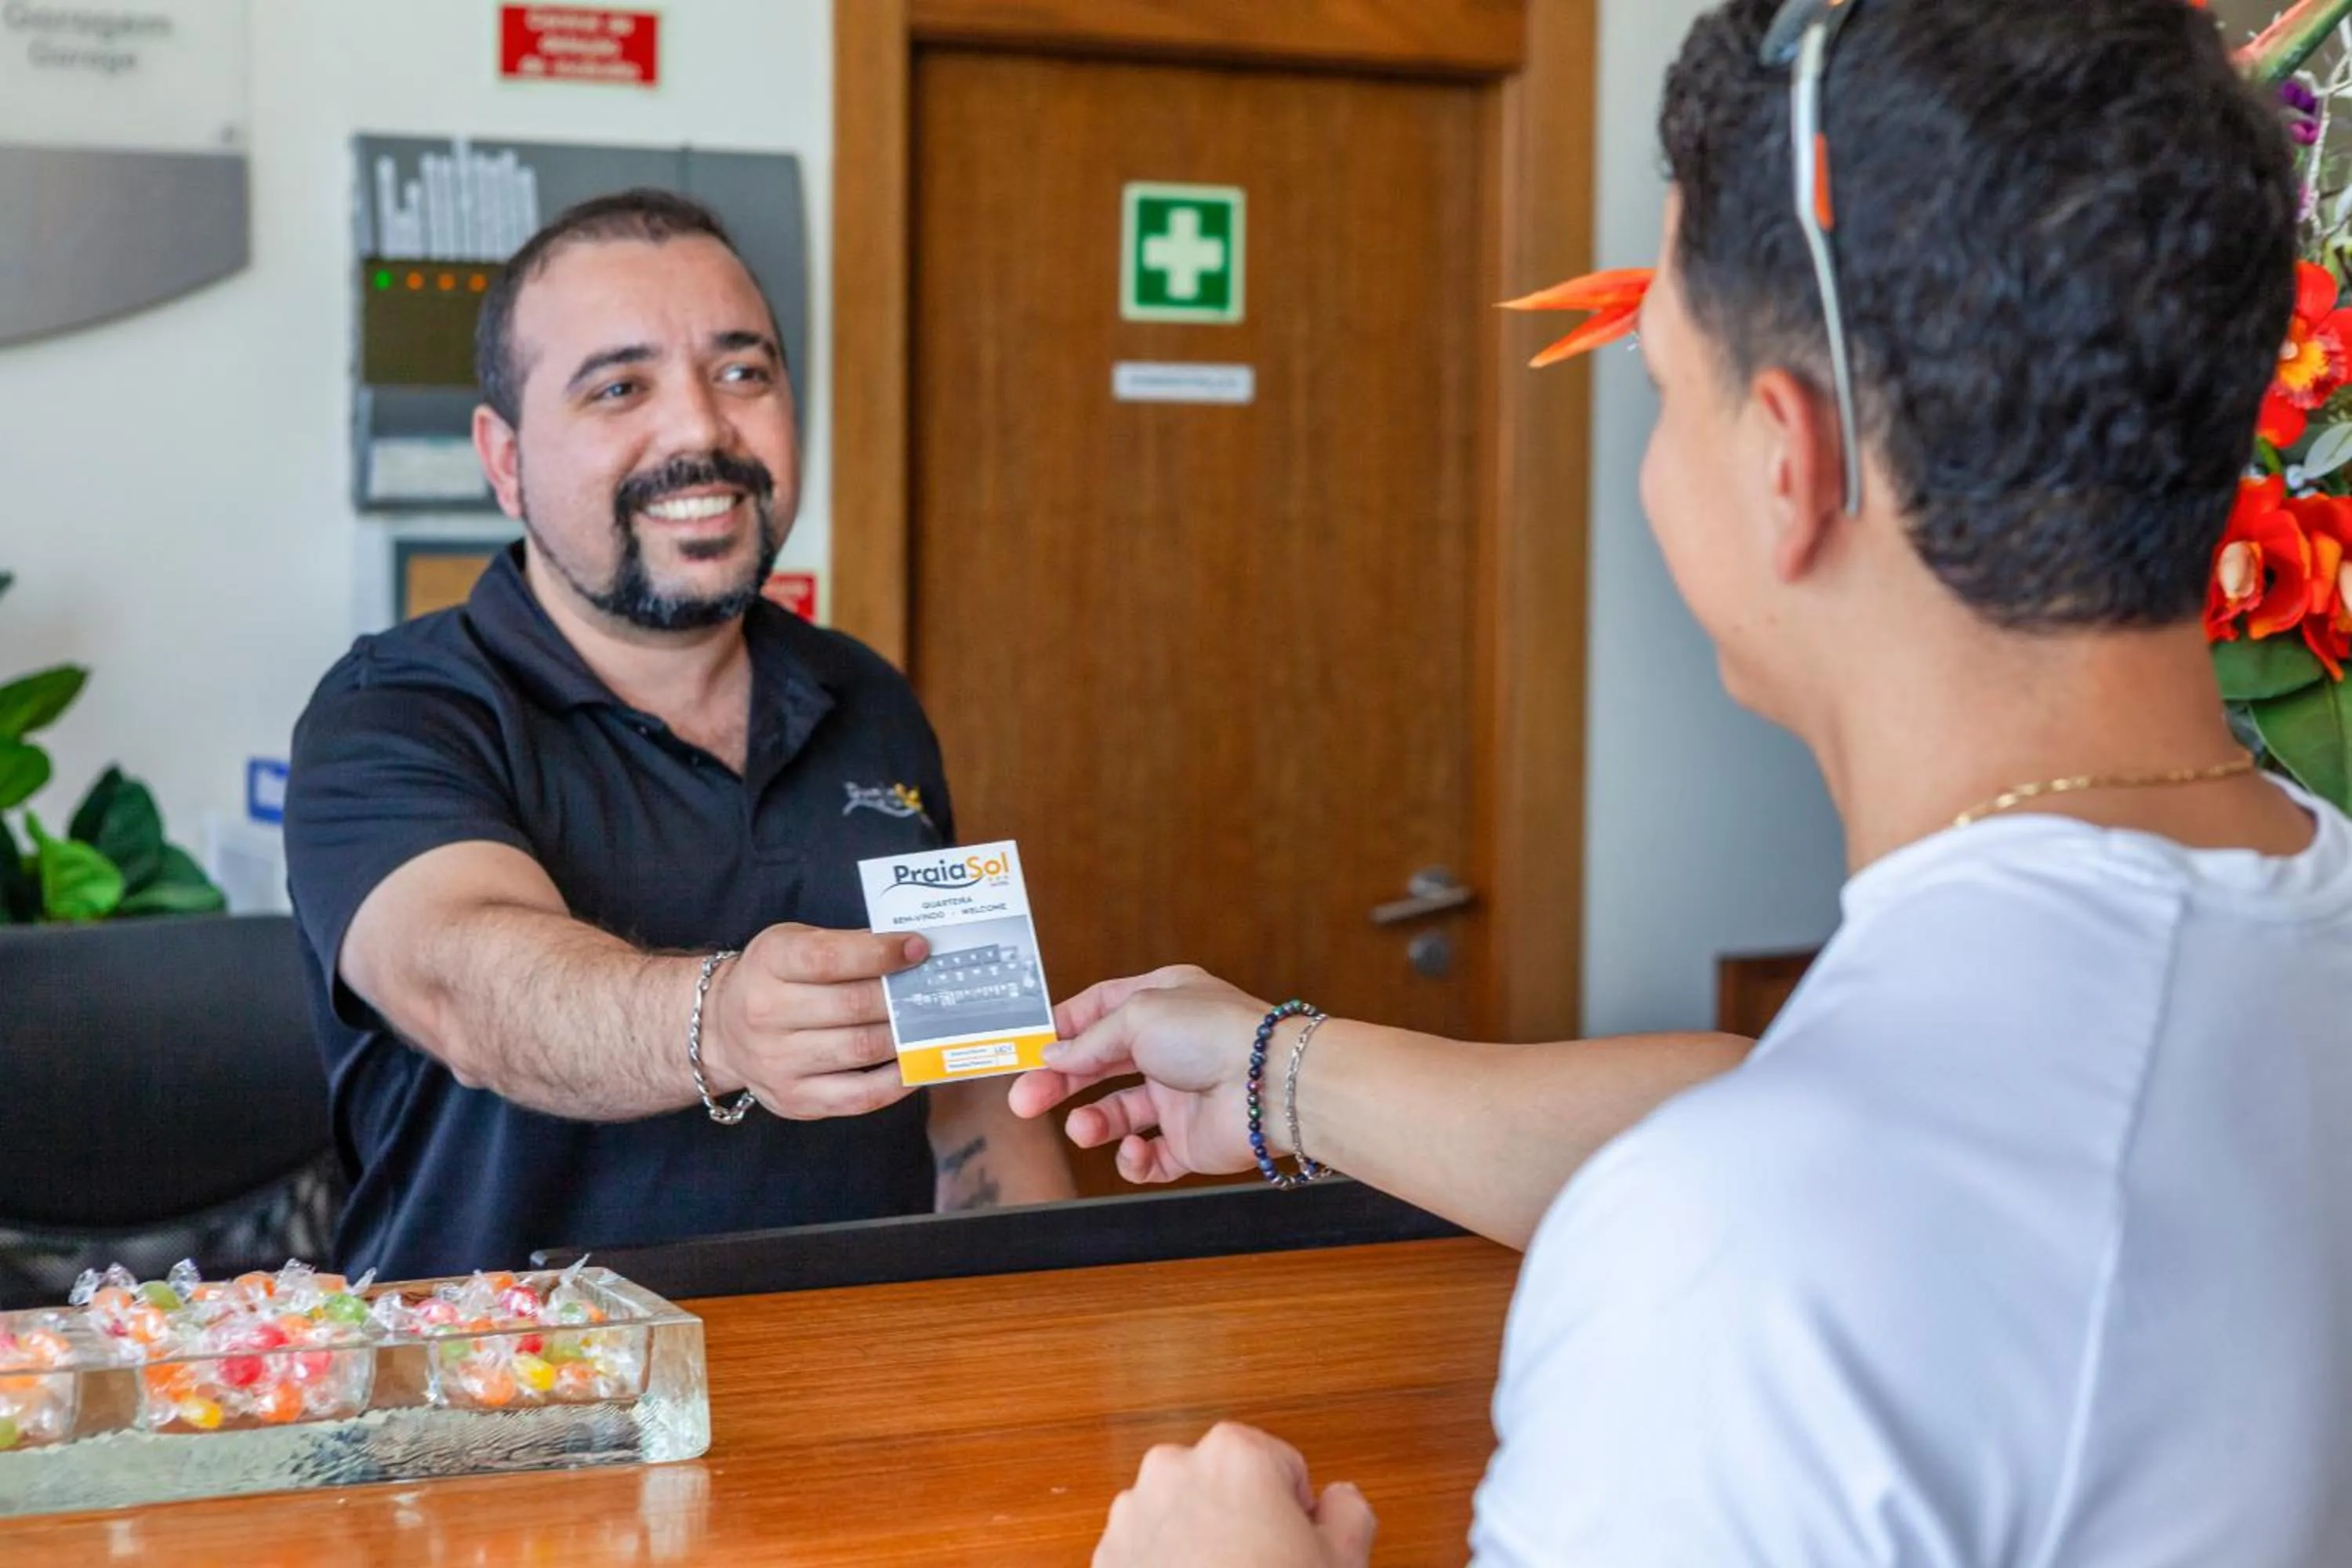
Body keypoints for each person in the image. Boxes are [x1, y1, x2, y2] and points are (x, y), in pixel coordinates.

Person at [1014, 0, 2352, 1562]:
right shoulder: (2277, 911)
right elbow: (1800, 1118)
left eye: (1660, 382)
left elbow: (1795, 1175)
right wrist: (1274, 1068)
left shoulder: (1744, 1265)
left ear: (1791, 463)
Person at [285, 190, 1072, 1280]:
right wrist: (725, 1024)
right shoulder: (395, 710)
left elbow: (975, 1080)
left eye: (743, 373)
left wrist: (1039, 1336)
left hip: (863, 1385)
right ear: (504, 458)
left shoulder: (869, 697)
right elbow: (468, 986)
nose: (702, 430)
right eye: (620, 388)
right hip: (512, 1406)